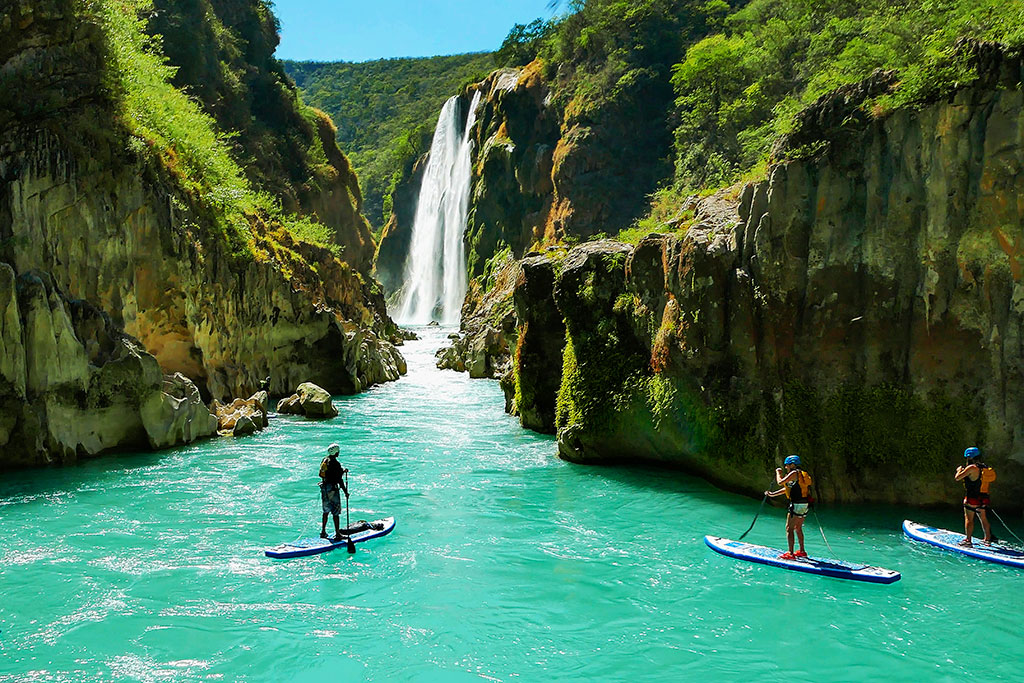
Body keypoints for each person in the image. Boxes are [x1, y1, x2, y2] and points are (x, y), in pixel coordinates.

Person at [765, 455, 814, 560]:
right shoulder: (801, 474)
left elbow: (780, 482)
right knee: (798, 528)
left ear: (792, 465)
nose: (786, 467)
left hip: (796, 504)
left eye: (787, 465)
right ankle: (802, 551)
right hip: (804, 504)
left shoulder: (793, 473)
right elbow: (787, 489)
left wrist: (778, 473)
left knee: (789, 528)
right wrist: (773, 494)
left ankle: (790, 554)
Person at [954, 446, 996, 547]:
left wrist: (959, 470)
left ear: (968, 457)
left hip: (972, 499)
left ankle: (968, 540)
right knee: (983, 518)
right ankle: (987, 539)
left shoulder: (971, 468)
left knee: (969, 519)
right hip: (983, 498)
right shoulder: (984, 467)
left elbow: (957, 478)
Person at [319, 443, 349, 540]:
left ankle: (323, 532)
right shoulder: (336, 463)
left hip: (324, 488)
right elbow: (339, 480)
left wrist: (342, 471)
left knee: (326, 511)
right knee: (335, 512)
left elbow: (328, 473)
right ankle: (338, 534)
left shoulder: (325, 460)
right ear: (336, 452)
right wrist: (345, 492)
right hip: (333, 489)